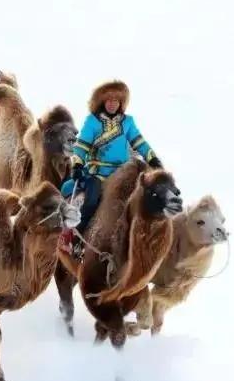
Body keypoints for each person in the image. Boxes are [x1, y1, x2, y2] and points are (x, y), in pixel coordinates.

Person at [58, 80, 163, 256]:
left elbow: (140, 142)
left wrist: (153, 159)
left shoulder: (128, 122)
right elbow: (81, 146)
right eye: (109, 100)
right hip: (97, 173)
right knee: (91, 199)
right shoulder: (92, 122)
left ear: (121, 103)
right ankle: (77, 238)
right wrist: (77, 165)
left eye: (116, 100)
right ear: (102, 102)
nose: (113, 103)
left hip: (123, 172)